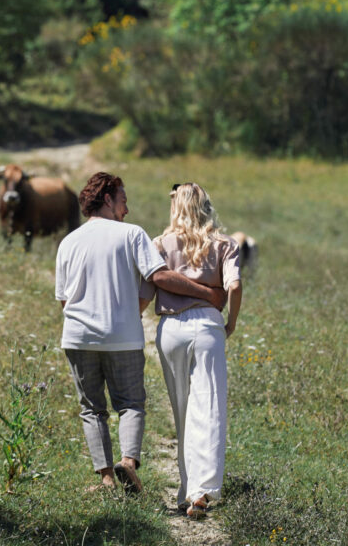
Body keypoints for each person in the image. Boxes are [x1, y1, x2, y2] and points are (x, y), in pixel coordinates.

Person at [55, 172, 226, 493]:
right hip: (122, 337)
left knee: (92, 409)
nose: (127, 210)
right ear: (107, 199)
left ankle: (106, 479)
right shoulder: (132, 234)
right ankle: (129, 463)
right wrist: (208, 294)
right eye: (123, 201)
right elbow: (159, 277)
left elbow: (65, 299)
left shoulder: (68, 242)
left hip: (77, 337)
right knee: (130, 404)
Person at [142, 182, 242, 519]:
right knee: (209, 405)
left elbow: (151, 286)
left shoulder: (159, 243)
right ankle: (202, 491)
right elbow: (235, 285)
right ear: (206, 207)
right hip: (208, 326)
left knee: (181, 410)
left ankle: (186, 489)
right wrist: (230, 323)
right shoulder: (225, 244)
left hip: (171, 328)